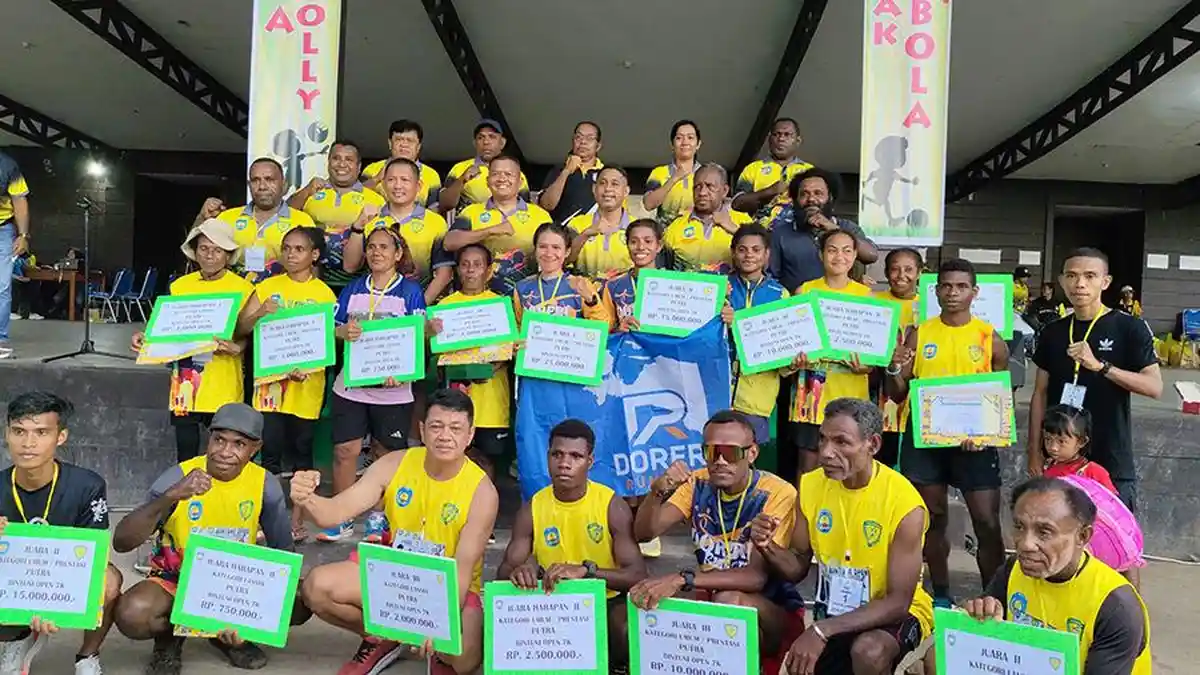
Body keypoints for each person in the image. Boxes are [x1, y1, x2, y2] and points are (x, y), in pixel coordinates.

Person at [295, 389, 498, 675]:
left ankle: (428, 645)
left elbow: (464, 571)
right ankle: (383, 637)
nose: (445, 436)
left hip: (449, 586)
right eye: (437, 426)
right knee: (316, 587)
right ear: (422, 430)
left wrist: (437, 622)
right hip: (394, 577)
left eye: (456, 428)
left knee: (463, 660)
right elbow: (334, 513)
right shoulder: (395, 463)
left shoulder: (482, 492)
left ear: (470, 435)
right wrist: (306, 497)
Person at [111, 402, 309, 675]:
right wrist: (172, 495)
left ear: (256, 449)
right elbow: (122, 542)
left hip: (235, 583)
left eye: (239, 444)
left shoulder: (264, 484)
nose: (225, 452)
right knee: (133, 613)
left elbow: (283, 553)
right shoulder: (179, 476)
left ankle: (228, 635)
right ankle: (169, 640)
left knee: (299, 600)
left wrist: (250, 612)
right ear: (209, 438)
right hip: (177, 579)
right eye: (219, 440)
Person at [752, 398, 932, 675]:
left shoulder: (905, 504)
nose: (825, 452)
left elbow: (898, 603)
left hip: (897, 612)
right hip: (835, 610)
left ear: (872, 445)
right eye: (822, 439)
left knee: (869, 652)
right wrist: (768, 547)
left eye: (841, 442)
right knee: (799, 664)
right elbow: (798, 564)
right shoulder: (811, 485)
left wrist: (821, 630)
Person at [885, 258, 1010, 607]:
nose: (953, 293)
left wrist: (986, 429)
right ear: (936, 291)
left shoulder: (989, 338)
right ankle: (940, 593)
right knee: (932, 520)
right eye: (946, 286)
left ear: (974, 292)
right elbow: (897, 392)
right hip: (925, 442)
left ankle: (995, 596)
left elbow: (1002, 391)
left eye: (961, 286)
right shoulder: (920, 333)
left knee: (986, 523)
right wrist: (894, 365)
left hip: (975, 444)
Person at [630, 410, 799, 658]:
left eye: (730, 453)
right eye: (711, 452)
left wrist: (680, 578)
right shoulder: (698, 482)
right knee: (650, 594)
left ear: (752, 453)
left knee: (728, 600)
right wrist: (656, 493)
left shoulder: (776, 492)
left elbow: (755, 579)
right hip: (712, 594)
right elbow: (644, 534)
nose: (719, 461)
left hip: (771, 607)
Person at [496, 419, 647, 670]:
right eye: (557, 454)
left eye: (575, 456)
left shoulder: (611, 505)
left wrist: (587, 571)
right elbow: (502, 574)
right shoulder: (532, 508)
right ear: (547, 457)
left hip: (603, 600)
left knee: (624, 626)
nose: (564, 463)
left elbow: (637, 575)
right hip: (552, 602)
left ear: (590, 461)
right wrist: (521, 571)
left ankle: (616, 667)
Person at [964, 477, 1151, 674]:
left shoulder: (1115, 606)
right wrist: (979, 614)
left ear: (1082, 537)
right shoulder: (1013, 570)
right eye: (1019, 527)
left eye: (1044, 532)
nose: (1025, 544)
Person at [1028, 247, 1162, 514]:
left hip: (1110, 453)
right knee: (1059, 534)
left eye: (1090, 276)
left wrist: (1101, 367)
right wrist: (1034, 449)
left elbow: (1154, 387)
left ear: (1105, 282)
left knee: (1110, 537)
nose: (1080, 284)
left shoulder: (1129, 327)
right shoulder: (1053, 332)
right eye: (1072, 276)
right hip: (1060, 453)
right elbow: (1040, 393)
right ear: (1062, 280)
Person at [0, 393, 120, 675]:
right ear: (7, 434)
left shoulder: (87, 485)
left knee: (110, 581)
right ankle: (15, 638)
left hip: (63, 576)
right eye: (19, 432)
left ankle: (87, 656)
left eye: (41, 433)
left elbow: (95, 554)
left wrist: (50, 601)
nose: (28, 444)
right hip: (13, 574)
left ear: (61, 436)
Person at [321, 225, 427, 543]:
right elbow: (333, 329)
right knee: (345, 450)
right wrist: (344, 333)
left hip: (393, 388)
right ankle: (339, 517)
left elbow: (417, 336)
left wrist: (403, 369)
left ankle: (378, 522)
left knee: (386, 455)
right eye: (371, 247)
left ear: (398, 254)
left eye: (384, 247)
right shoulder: (352, 288)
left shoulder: (410, 291)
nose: (377, 252)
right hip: (352, 385)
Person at [236, 226, 337, 540]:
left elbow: (328, 340)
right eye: (287, 248)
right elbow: (241, 327)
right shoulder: (267, 287)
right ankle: (263, 520)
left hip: (307, 385)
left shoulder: (324, 293)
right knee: (268, 454)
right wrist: (260, 313)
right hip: (270, 387)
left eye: (299, 249)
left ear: (314, 255)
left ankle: (297, 522)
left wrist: (304, 365)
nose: (291, 255)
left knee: (302, 455)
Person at [132, 219, 255, 462]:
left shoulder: (243, 288)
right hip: (186, 381)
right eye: (204, 248)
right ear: (195, 251)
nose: (210, 255)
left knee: (224, 451)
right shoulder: (180, 286)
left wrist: (238, 347)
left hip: (223, 379)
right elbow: (166, 326)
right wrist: (145, 337)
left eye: (217, 250)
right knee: (185, 450)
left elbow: (248, 334)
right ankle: (186, 499)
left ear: (228, 255)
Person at [783, 229, 874, 482]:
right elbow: (791, 341)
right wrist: (795, 358)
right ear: (821, 254)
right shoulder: (804, 291)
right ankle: (806, 521)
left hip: (851, 392)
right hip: (810, 393)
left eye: (847, 250)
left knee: (851, 465)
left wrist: (865, 367)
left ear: (855, 255)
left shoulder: (867, 297)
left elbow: (875, 354)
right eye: (832, 250)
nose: (839, 256)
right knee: (809, 468)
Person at [430, 245, 513, 483]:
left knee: (486, 459)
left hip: (492, 400)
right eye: (465, 264)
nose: (470, 270)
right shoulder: (444, 306)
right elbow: (438, 356)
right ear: (457, 270)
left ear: (488, 271)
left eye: (477, 265)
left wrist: (486, 366)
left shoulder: (500, 305)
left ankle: (485, 512)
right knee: (454, 456)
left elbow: (507, 350)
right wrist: (429, 333)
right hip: (456, 397)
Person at [346, 157, 453, 305]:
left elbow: (444, 273)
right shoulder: (370, 218)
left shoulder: (436, 222)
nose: (397, 186)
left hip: (418, 306)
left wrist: (418, 305)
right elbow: (350, 266)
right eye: (391, 180)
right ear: (383, 184)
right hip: (374, 306)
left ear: (419, 186)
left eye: (405, 180)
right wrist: (358, 227)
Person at [444, 155, 553, 295]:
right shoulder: (471, 212)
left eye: (508, 174)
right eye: (495, 174)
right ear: (487, 181)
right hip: (480, 301)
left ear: (520, 182)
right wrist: (491, 231)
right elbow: (448, 243)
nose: (502, 179)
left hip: (527, 299)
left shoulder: (540, 216)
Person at [287, 140, 386, 289]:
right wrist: (306, 191)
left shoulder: (375, 199)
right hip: (311, 283)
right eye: (336, 158)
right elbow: (285, 215)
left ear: (359, 167)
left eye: (349, 160)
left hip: (356, 283)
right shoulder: (312, 191)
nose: (341, 164)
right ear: (328, 162)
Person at [721, 224, 788, 444]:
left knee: (746, 457)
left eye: (756, 250)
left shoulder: (779, 295)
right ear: (733, 252)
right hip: (715, 387)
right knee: (713, 453)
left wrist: (793, 363)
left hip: (757, 395)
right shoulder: (718, 288)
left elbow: (784, 346)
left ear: (767, 254)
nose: (749, 254)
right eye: (742, 249)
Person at [201, 157, 317, 284]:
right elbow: (199, 252)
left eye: (269, 179)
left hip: (281, 295)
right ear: (249, 185)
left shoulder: (302, 220)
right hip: (234, 292)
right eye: (255, 180)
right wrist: (202, 217)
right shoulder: (227, 217)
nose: (262, 186)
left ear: (284, 185)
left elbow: (313, 268)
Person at [767, 167, 878, 294]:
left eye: (818, 193)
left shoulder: (847, 227)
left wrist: (833, 229)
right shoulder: (781, 234)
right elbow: (772, 278)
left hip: (843, 308)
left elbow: (871, 255)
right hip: (799, 306)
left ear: (830, 198)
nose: (811, 199)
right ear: (795, 201)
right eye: (804, 194)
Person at [873, 248, 923, 467]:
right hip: (879, 391)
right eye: (894, 269)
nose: (901, 275)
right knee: (882, 456)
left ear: (920, 272)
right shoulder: (872, 302)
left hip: (917, 389)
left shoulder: (930, 306)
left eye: (909, 269)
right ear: (886, 272)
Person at [511, 223, 611, 326]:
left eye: (556, 247)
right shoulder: (522, 287)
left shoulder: (580, 284)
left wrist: (590, 300)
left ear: (567, 252)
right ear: (535, 249)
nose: (549, 253)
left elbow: (603, 327)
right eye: (542, 247)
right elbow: (519, 328)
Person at [662, 163, 752, 274]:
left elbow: (760, 259)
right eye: (697, 187)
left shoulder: (744, 222)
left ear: (724, 191)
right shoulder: (676, 226)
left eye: (710, 186)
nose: (702, 193)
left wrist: (733, 228)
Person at [732, 118, 813, 227]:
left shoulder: (809, 171)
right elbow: (737, 203)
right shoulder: (753, 168)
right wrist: (769, 191)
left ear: (798, 141)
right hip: (762, 234)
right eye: (777, 134)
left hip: (798, 233)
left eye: (787, 135)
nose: (781, 139)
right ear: (769, 139)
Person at [440, 120, 531, 212]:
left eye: (492, 137)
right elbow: (444, 204)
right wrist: (462, 179)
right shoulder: (459, 168)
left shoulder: (515, 173)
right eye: (480, 138)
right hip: (470, 223)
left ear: (502, 143)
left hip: (505, 223)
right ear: (475, 143)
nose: (486, 142)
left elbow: (526, 210)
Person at [566, 165, 635, 280]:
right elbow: (562, 260)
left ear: (626, 191)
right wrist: (585, 235)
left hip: (624, 294)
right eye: (602, 183)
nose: (608, 189)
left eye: (615, 184)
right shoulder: (576, 224)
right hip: (585, 294)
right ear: (594, 189)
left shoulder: (637, 227)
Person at [361, 119, 443, 210]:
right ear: (390, 143)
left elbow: (434, 210)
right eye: (399, 139)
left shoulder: (432, 175)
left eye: (410, 141)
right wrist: (376, 179)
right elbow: (353, 197)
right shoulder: (371, 170)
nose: (404, 144)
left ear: (418, 147)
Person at [602, 218, 664, 333]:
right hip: (626, 349)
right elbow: (605, 330)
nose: (640, 247)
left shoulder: (672, 284)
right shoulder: (612, 285)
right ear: (627, 245)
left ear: (659, 246)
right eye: (634, 242)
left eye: (648, 241)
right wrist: (618, 329)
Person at [538, 121, 606, 224]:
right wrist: (566, 171)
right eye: (578, 137)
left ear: (598, 146)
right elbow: (546, 205)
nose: (583, 142)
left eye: (589, 138)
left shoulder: (605, 174)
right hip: (560, 235)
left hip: (593, 236)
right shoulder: (559, 170)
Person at [0, 151, 32, 358]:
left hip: (3, 229)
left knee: (2, 285)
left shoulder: (7, 165)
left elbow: (19, 201)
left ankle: (0, 338)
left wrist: (23, 235)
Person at [642, 120, 703, 227]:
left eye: (690, 137)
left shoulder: (705, 174)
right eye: (679, 138)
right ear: (672, 144)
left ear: (698, 144)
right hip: (665, 237)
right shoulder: (659, 172)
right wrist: (674, 178)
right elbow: (648, 204)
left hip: (697, 236)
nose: (685, 142)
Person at [10, 250, 42, 321]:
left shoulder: (20, 259)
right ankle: (12, 312)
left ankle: (29, 312)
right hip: (12, 278)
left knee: (34, 283)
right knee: (14, 283)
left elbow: (27, 266)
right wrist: (18, 278)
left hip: (21, 278)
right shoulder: (8, 259)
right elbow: (7, 273)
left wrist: (37, 268)